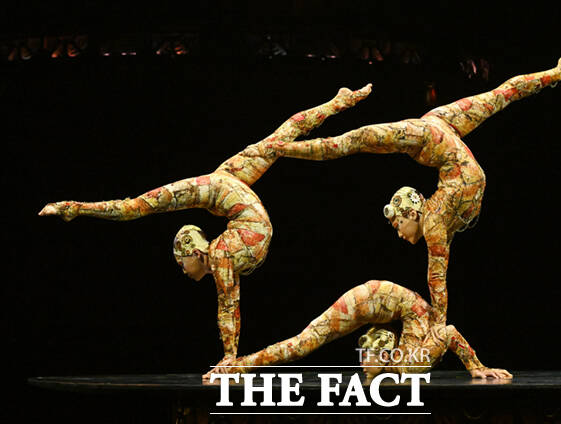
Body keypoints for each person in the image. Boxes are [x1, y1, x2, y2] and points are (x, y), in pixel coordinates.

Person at [38, 84, 373, 367]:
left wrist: (229, 358)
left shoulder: (222, 253)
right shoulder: (226, 246)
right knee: (280, 138)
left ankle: (72, 208)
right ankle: (338, 101)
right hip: (230, 189)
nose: (182, 270)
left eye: (181, 262)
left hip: (220, 191)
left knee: (137, 207)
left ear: (195, 252)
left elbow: (229, 303)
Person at [253, 56, 561, 325]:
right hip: (441, 128)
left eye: (398, 225)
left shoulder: (434, 218)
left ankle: (560, 71)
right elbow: (438, 278)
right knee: (501, 95)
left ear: (411, 212)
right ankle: (559, 72)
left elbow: (436, 279)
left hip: (432, 139)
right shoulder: (438, 214)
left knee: (355, 141)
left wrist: (283, 150)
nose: (400, 235)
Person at [205, 279, 512, 382]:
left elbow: (445, 329)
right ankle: (236, 366)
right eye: (365, 356)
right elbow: (450, 331)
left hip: (383, 302)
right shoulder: (412, 359)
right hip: (372, 300)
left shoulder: (407, 357)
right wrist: (476, 366)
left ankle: (236, 366)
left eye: (367, 356)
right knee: (302, 344)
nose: (363, 363)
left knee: (303, 343)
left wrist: (475, 366)